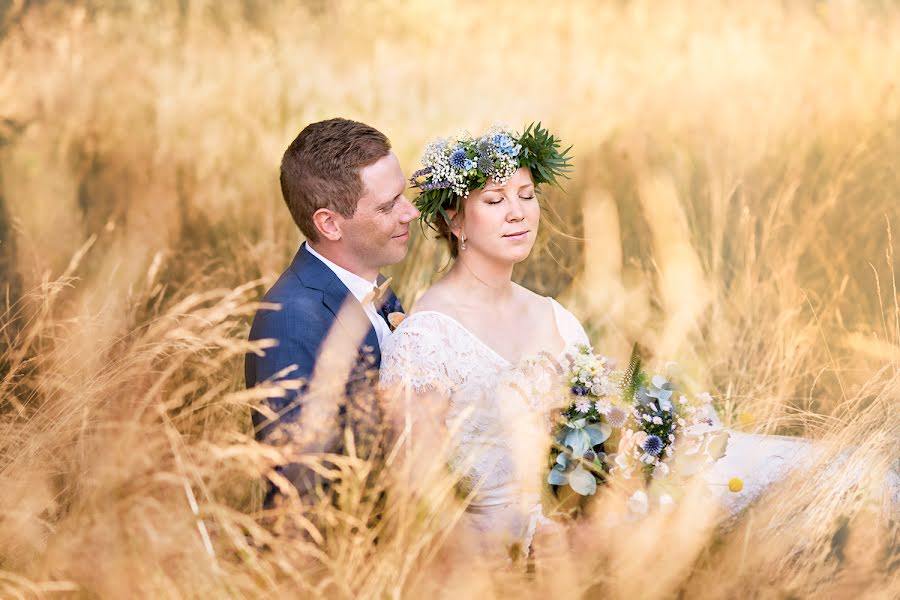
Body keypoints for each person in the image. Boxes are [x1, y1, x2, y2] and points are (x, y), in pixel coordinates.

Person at [379, 124, 579, 560]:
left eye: (526, 195)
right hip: (486, 560)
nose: (518, 213)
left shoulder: (557, 319)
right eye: (494, 200)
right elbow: (418, 492)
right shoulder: (427, 338)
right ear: (454, 220)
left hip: (576, 536)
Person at [245, 118, 420, 507]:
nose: (410, 213)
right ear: (329, 224)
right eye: (389, 206)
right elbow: (301, 484)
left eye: (402, 195)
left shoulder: (374, 290)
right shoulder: (290, 319)